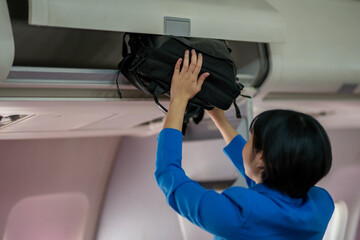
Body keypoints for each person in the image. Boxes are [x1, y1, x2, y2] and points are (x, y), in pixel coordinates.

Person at [155, 49, 334, 240]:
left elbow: (169, 176)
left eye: (251, 139)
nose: (246, 145)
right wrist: (220, 120)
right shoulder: (322, 205)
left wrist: (179, 99)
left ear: (261, 157)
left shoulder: (237, 214)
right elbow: (267, 183)